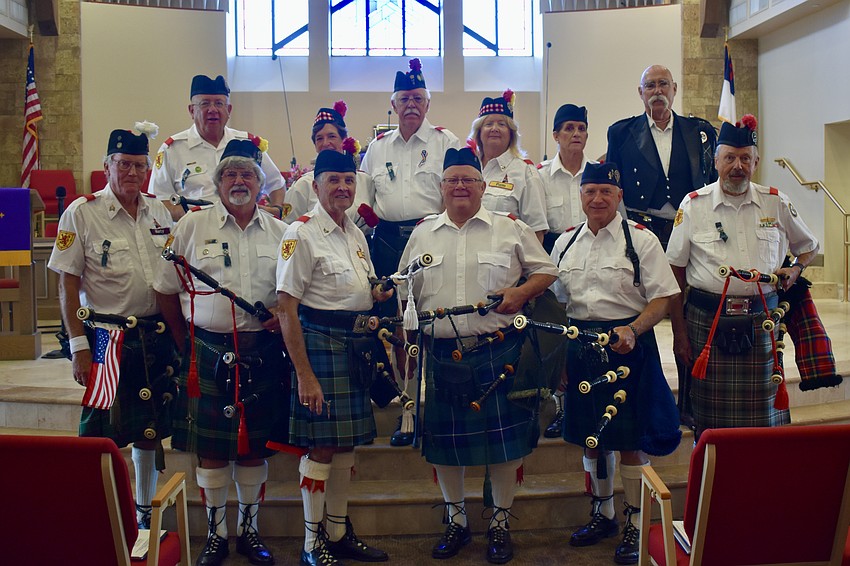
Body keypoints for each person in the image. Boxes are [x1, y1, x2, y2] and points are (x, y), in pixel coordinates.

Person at [400, 147, 558, 564]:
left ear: (483, 187)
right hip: (441, 355)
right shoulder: (423, 233)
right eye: (452, 180)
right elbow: (405, 289)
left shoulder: (510, 228)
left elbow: (547, 270)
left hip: (497, 352)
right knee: (444, 449)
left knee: (505, 449)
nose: (460, 187)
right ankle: (456, 521)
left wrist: (521, 292)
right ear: (441, 187)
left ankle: (500, 523)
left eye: (468, 180)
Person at [155, 139, 287, 566]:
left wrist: (282, 316)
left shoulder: (281, 232)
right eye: (230, 173)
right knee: (211, 452)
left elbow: (293, 292)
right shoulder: (192, 227)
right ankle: (216, 535)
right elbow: (165, 290)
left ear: (261, 182)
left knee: (254, 449)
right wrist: (186, 344)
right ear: (217, 182)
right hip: (207, 352)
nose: (239, 181)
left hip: (262, 352)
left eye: (247, 174)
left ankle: (249, 531)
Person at [550, 162, 681, 565]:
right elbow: (556, 304)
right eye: (590, 191)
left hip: (628, 347)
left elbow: (663, 297)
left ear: (619, 196)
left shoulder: (641, 240)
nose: (597, 199)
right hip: (579, 345)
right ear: (581, 195)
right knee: (591, 439)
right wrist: (559, 360)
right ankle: (603, 514)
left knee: (629, 442)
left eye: (606, 191)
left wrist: (634, 329)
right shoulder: (564, 243)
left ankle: (636, 523)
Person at [48, 126, 176, 530]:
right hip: (107, 338)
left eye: (139, 165)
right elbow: (67, 283)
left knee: (149, 430)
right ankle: (97, 513)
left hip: (154, 336)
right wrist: (78, 345)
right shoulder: (81, 213)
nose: (132, 172)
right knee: (102, 436)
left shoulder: (159, 211)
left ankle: (143, 512)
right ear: (107, 167)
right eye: (124, 164)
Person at [666, 116, 820, 436]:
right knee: (710, 426)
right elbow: (675, 272)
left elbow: (809, 246)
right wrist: (679, 332)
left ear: (756, 163)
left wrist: (795, 269)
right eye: (730, 158)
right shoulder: (693, 206)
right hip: (706, 322)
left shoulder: (776, 202)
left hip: (762, 322)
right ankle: (712, 467)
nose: (738, 166)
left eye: (745, 158)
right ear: (716, 161)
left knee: (763, 423)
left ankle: (761, 468)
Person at [277, 149, 393, 566]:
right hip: (320, 345)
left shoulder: (355, 233)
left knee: (345, 447)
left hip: (354, 345)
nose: (343, 187)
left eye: (349, 180)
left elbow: (358, 286)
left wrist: (376, 291)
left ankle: (339, 532)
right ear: (316, 185)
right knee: (322, 447)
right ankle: (313, 543)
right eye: (334, 180)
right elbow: (286, 308)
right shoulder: (301, 233)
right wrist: (305, 375)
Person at [606, 64, 717, 426]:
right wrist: (624, 235)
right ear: (641, 93)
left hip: (691, 230)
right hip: (645, 231)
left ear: (674, 89)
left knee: (687, 315)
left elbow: (711, 182)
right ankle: (642, 400)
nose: (657, 91)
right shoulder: (621, 132)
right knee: (640, 310)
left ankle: (688, 402)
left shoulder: (700, 131)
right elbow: (616, 187)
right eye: (650, 85)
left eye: (663, 84)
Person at [360, 58, 460, 446]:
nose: (412, 105)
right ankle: (407, 412)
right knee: (400, 331)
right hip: (387, 243)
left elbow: (457, 193)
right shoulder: (377, 147)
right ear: (394, 104)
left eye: (418, 98)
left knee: (436, 324)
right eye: (405, 99)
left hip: (431, 240)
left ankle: (438, 407)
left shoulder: (446, 142)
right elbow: (363, 203)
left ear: (428, 103)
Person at [150, 74, 285, 221]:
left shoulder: (247, 144)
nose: (212, 109)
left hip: (244, 227)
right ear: (191, 111)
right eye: (205, 103)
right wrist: (198, 218)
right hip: (195, 229)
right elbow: (160, 202)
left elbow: (276, 184)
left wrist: (276, 209)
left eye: (219, 103)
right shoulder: (172, 149)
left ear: (229, 110)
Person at [537, 103, 596, 439]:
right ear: (555, 135)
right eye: (569, 128)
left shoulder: (599, 172)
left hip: (595, 256)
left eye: (581, 128)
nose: (576, 134)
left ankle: (588, 402)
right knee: (559, 334)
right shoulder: (540, 176)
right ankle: (559, 407)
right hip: (553, 258)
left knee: (588, 330)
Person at [471, 89, 548, 243]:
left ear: (511, 133)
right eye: (488, 124)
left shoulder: (525, 172)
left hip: (507, 255)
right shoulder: (468, 167)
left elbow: (536, 232)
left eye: (502, 124)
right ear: (479, 132)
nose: (495, 128)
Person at [283, 100, 375, 227]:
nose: (325, 143)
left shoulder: (365, 181)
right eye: (319, 138)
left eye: (332, 136)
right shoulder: (303, 185)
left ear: (343, 140)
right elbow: (288, 227)